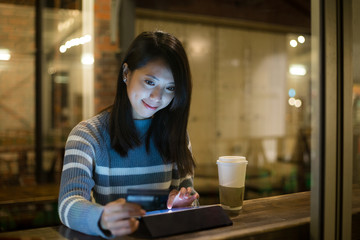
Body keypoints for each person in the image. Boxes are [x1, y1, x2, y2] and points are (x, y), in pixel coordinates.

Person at [58, 31, 200, 238]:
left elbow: (190, 198)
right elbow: (68, 203)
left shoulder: (177, 135)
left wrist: (184, 202)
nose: (157, 97)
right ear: (126, 73)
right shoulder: (87, 135)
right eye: (150, 82)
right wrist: (102, 218)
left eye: (170, 88)